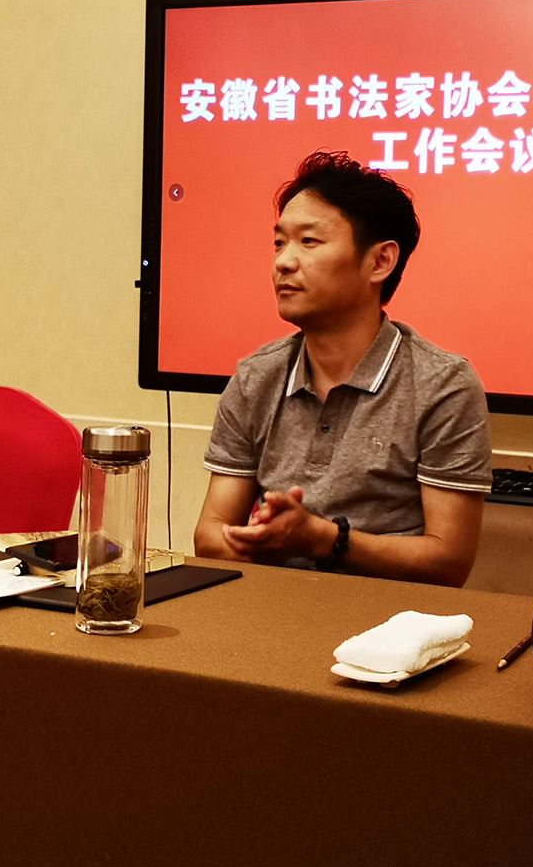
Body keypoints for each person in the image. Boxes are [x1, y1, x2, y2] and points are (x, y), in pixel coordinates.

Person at [194, 151, 492, 586]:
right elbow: (209, 536)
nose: (283, 262)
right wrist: (262, 539)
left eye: (308, 242)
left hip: (392, 618)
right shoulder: (256, 377)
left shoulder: (443, 385)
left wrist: (321, 539)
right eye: (279, 243)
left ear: (380, 262)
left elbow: (449, 562)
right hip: (266, 606)